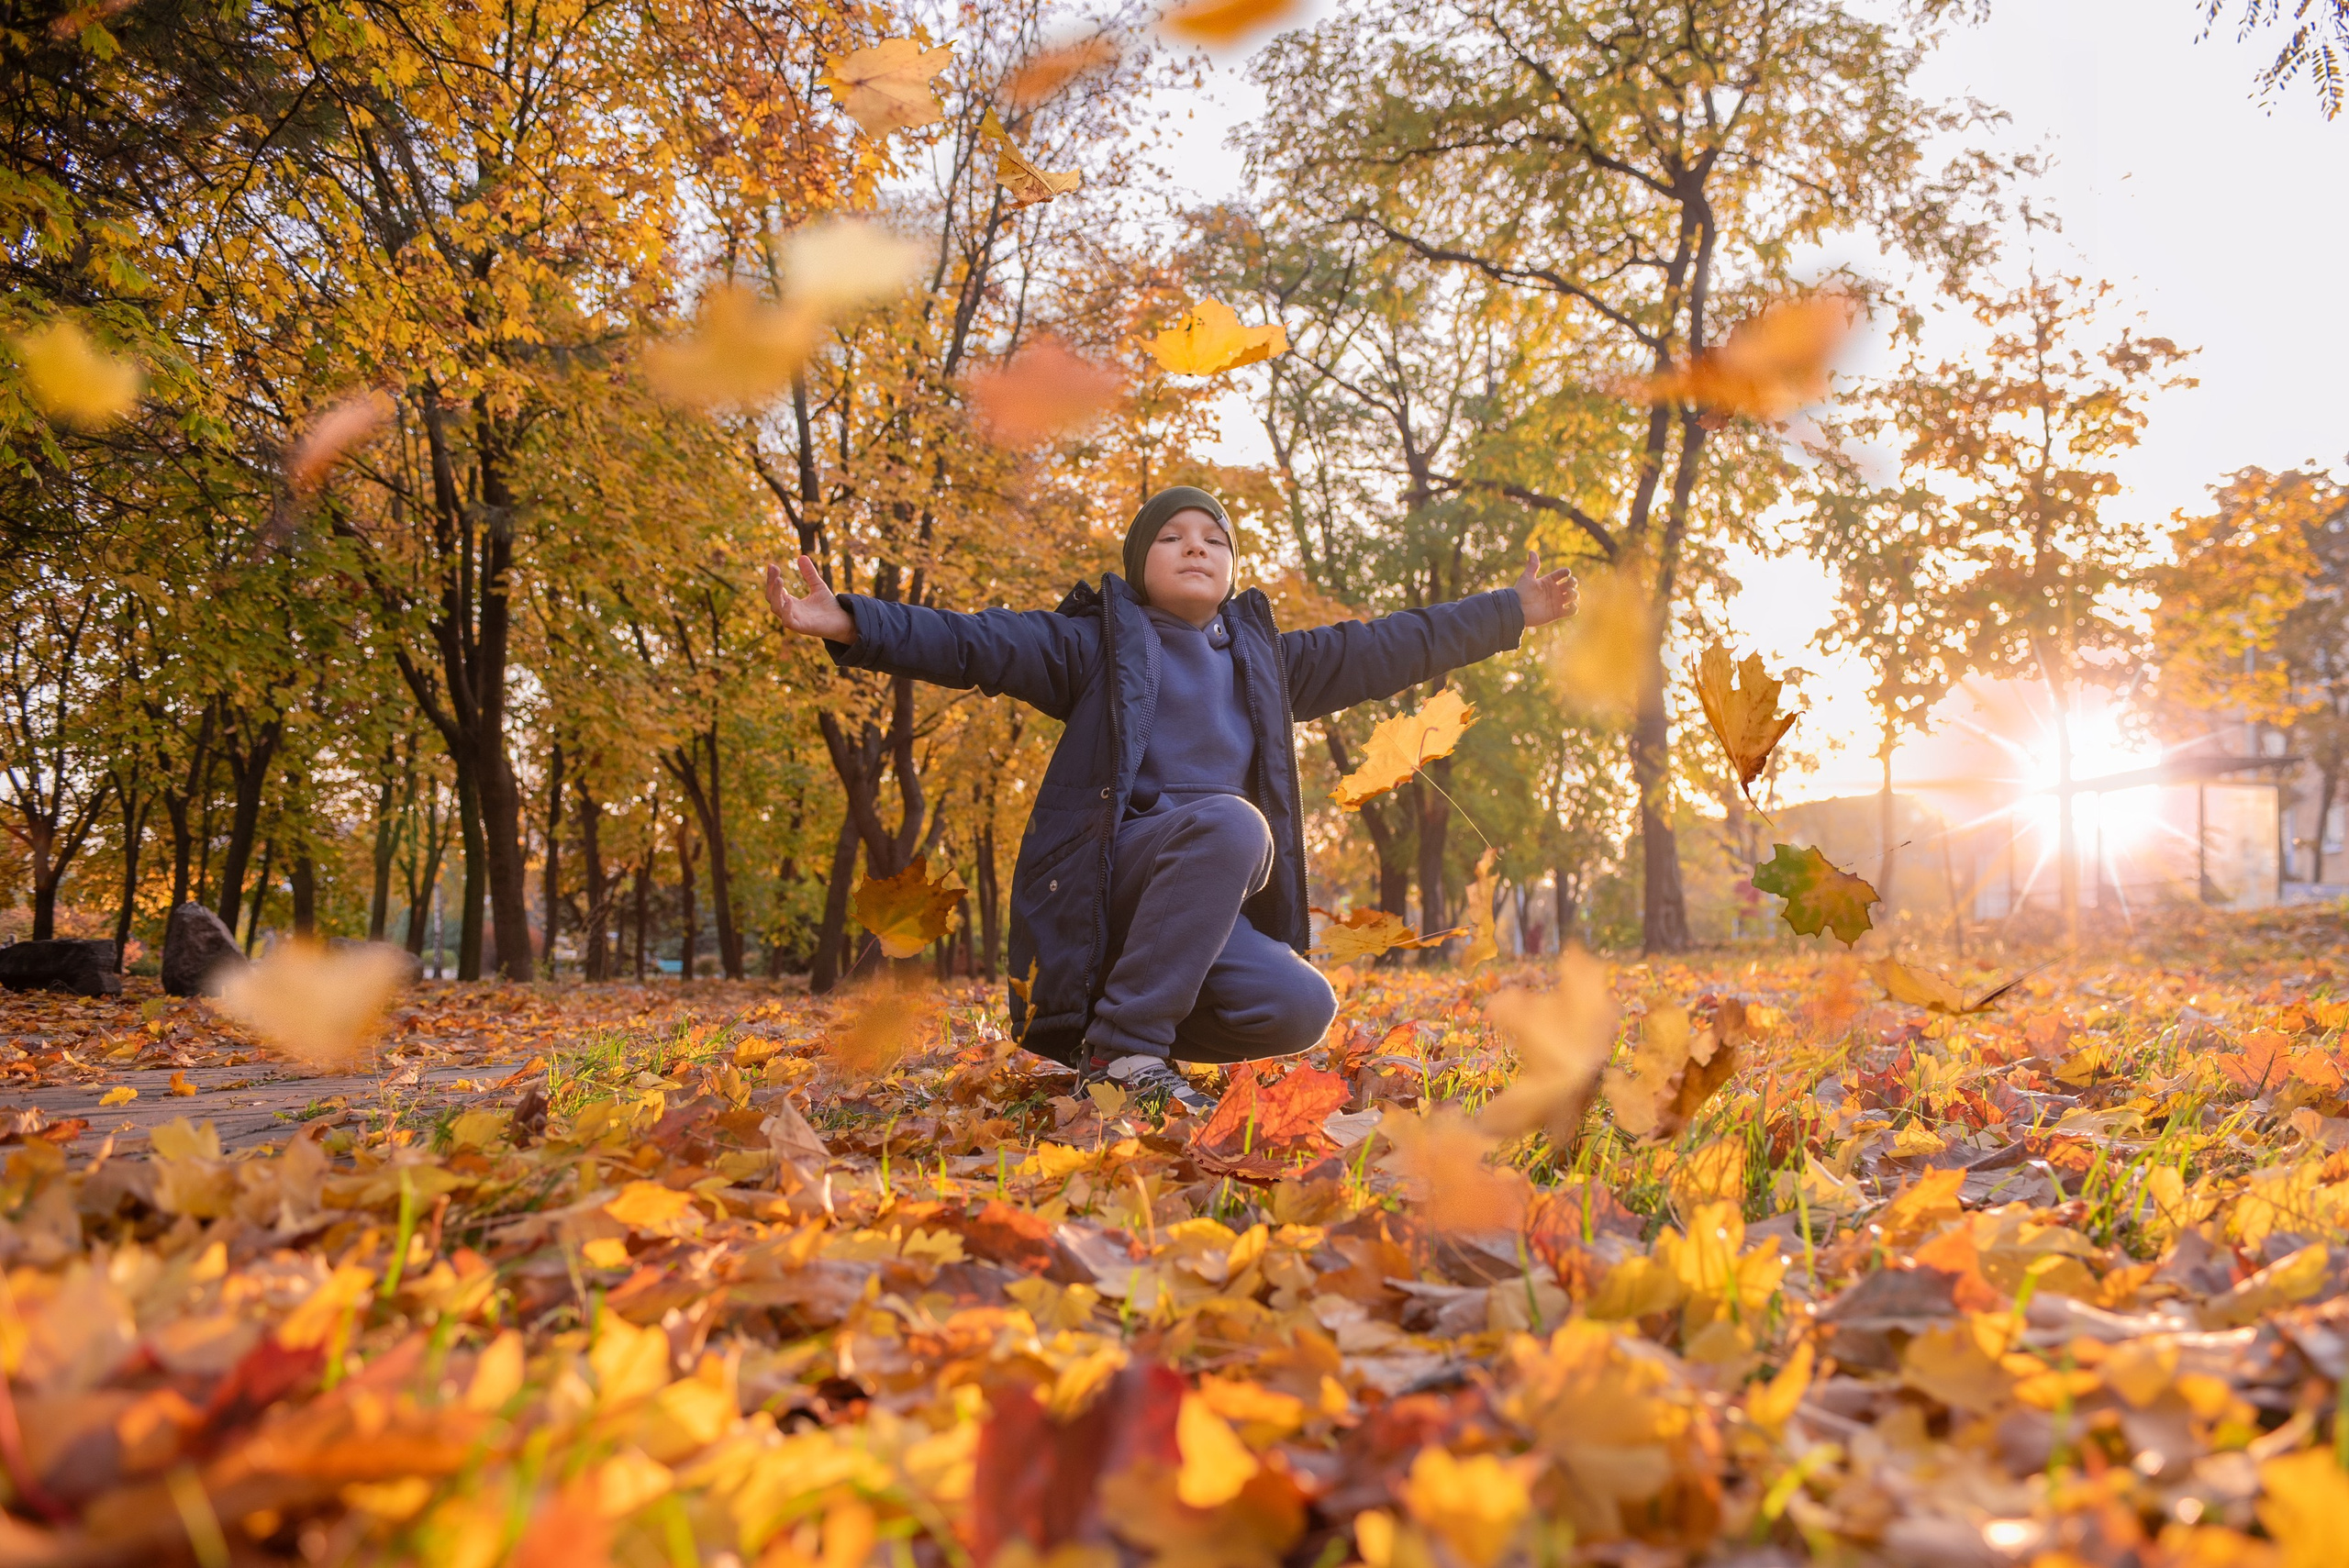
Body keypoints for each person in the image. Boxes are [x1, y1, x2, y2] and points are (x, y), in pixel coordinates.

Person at [763, 485, 1577, 1112]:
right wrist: (853, 622)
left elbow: (1391, 644)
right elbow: (977, 640)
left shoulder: (1269, 662)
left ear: (1230, 569)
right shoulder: (1094, 645)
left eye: (1214, 539)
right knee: (1233, 824)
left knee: (1302, 1005)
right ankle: (1122, 1055)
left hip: (1196, 904)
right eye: (1172, 536)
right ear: (1138, 564)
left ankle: (1128, 1032)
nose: (1196, 546)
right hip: (1110, 885)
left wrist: (1510, 610)